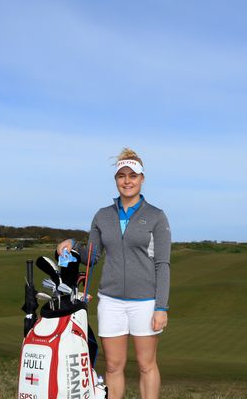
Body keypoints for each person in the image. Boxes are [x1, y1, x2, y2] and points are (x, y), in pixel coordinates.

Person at [57, 148, 171, 399]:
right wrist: (73, 245)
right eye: (122, 176)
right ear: (116, 180)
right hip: (111, 302)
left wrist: (161, 307)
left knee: (146, 365)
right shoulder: (102, 216)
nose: (127, 181)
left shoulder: (156, 217)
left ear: (142, 179)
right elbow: (92, 258)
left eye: (133, 175)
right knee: (112, 366)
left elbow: (162, 264)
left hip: (145, 302)